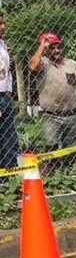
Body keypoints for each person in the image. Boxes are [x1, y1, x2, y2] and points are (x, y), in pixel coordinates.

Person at [28, 32, 76, 157]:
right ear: (46, 49)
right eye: (52, 47)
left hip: (73, 114)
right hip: (51, 115)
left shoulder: (71, 64)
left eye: (58, 47)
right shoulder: (42, 63)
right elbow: (32, 67)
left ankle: (68, 173)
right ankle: (54, 174)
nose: (57, 50)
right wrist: (42, 47)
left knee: (71, 149)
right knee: (51, 148)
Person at [0, 13, 18, 170]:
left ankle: (8, 179)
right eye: (0, 24)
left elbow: (7, 71)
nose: (3, 27)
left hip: (4, 95)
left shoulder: (2, 43)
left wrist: (8, 91)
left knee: (8, 138)